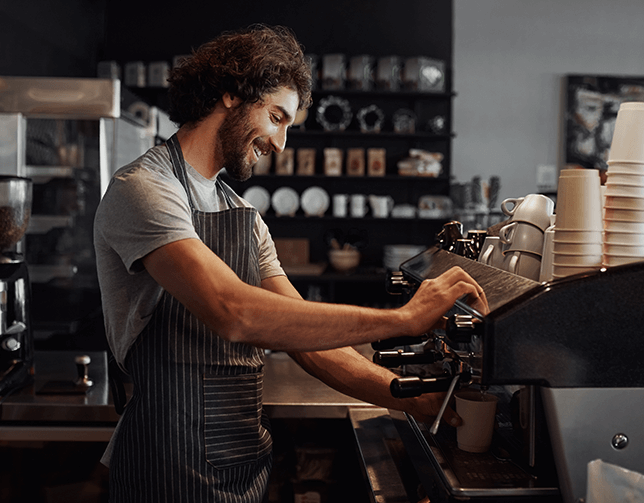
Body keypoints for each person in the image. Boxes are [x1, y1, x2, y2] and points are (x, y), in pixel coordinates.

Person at [93, 24, 488, 503]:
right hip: (165, 470)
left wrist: (414, 399)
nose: (280, 145)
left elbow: (310, 345)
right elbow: (233, 312)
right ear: (231, 95)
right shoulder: (145, 190)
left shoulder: (243, 217)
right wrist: (402, 319)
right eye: (276, 117)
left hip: (240, 466)